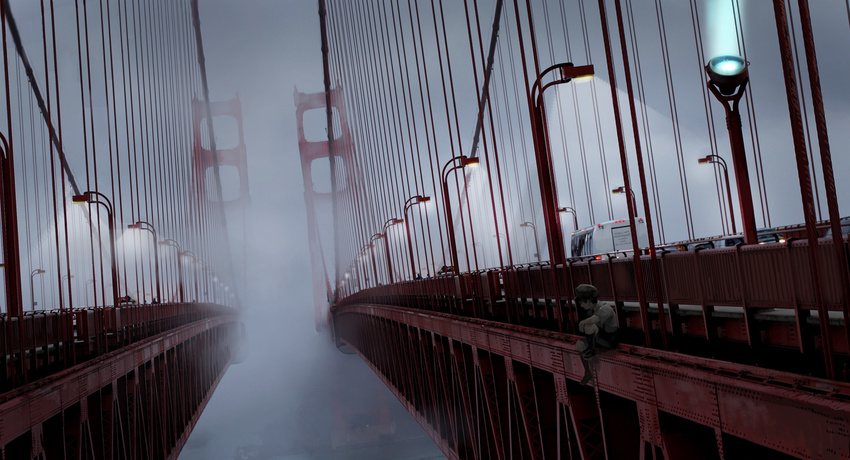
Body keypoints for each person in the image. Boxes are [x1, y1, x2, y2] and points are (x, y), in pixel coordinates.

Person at [573, 284, 619, 385]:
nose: (580, 305)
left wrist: (582, 323)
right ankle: (587, 372)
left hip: (611, 339)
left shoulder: (605, 308)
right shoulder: (590, 310)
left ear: (588, 301)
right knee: (579, 344)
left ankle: (592, 350)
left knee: (590, 325)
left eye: (581, 302)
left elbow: (595, 320)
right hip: (599, 338)